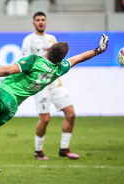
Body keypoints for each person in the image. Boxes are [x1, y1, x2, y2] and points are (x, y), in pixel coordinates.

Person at [0, 34, 109, 162]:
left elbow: (8, 70)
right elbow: (79, 58)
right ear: (61, 60)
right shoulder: (59, 70)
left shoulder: (34, 60)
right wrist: (98, 50)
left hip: (1, 95)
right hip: (11, 107)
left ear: (48, 49)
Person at [22, 11, 78, 160]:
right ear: (34, 22)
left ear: (46, 22)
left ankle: (64, 149)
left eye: (43, 20)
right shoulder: (29, 40)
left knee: (71, 114)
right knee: (45, 119)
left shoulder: (52, 38)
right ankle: (38, 151)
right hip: (41, 85)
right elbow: (25, 61)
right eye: (38, 20)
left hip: (55, 83)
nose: (41, 22)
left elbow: (58, 59)